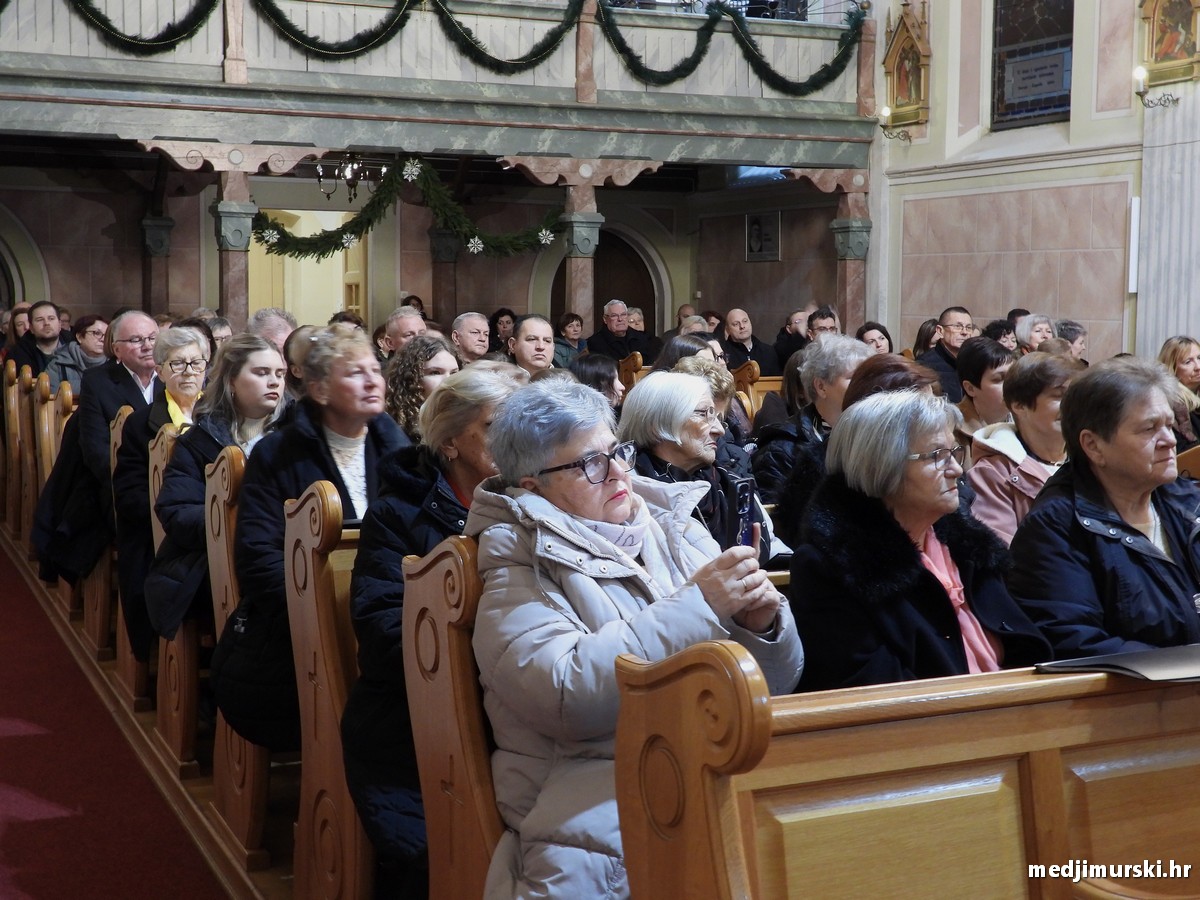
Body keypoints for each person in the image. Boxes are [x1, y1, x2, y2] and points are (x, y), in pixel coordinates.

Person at [468, 378, 803, 897]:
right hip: (591, 788)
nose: (619, 472)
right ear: (531, 486)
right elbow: (564, 694)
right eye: (588, 464)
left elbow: (778, 684)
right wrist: (700, 607)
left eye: (615, 451)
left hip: (705, 759)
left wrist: (762, 627)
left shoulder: (674, 525)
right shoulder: (518, 559)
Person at [341, 362, 528, 898]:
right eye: (496, 427)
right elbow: (383, 633)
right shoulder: (398, 515)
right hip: (414, 728)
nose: (515, 440)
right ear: (450, 442)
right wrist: (494, 657)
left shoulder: (542, 499)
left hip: (521, 715)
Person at [210, 328, 408, 752]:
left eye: (376, 369)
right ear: (318, 389)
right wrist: (319, 620)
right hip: (301, 626)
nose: (373, 380)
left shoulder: (397, 448)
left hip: (384, 618)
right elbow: (259, 559)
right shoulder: (278, 453)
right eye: (355, 373)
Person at [790, 390, 1050, 691]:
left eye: (954, 453)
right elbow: (872, 693)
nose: (956, 470)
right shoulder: (832, 565)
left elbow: (1026, 647)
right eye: (937, 456)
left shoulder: (964, 545)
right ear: (883, 465)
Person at [1008, 357, 1200, 659]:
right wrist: (1187, 668)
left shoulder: (1188, 502)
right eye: (1149, 429)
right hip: (1133, 697)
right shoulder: (1055, 527)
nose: (1170, 440)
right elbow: (1074, 643)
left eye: (1169, 424)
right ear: (1094, 446)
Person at [146, 335, 290, 641]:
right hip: (212, 562)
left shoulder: (297, 434)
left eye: (280, 374)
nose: (274, 382)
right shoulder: (201, 439)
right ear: (232, 381)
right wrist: (235, 521)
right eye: (261, 373)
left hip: (287, 554)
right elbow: (176, 511)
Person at [771, 353, 943, 546]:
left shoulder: (939, 462)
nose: (937, 421)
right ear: (880, 418)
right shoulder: (826, 477)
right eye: (925, 413)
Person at [112, 325, 210, 663]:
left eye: (196, 363)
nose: (188, 373)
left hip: (206, 530)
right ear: (159, 371)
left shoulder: (217, 418)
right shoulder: (142, 423)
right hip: (158, 535)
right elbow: (128, 495)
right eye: (177, 364)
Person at [622, 371, 786, 562]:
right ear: (658, 423)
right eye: (704, 414)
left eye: (717, 417)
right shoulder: (627, 497)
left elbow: (774, 549)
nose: (720, 430)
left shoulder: (731, 483)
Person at [967, 352, 1081, 546]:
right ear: (1019, 405)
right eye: (1059, 396)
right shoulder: (992, 473)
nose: (1073, 406)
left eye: (1077, 396)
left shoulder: (1093, 458)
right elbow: (1004, 556)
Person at [752, 335, 871, 504]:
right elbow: (777, 523)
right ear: (821, 386)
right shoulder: (782, 448)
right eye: (854, 378)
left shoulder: (874, 436)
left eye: (868, 377)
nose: (866, 385)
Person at [384, 334, 462, 441]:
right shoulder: (392, 431)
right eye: (435, 373)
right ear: (411, 379)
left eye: (454, 373)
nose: (448, 381)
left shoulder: (466, 423)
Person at [955, 337, 1015, 440]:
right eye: (999, 379)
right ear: (970, 388)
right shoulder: (950, 429)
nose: (1012, 384)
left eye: (1013, 376)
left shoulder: (1028, 418)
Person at [918, 306, 974, 402]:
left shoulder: (975, 362)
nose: (964, 332)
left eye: (968, 328)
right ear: (940, 331)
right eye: (957, 326)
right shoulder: (923, 365)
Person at [45, 314, 108, 395]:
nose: (103, 339)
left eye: (107, 335)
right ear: (79, 337)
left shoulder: (115, 364)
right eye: (97, 333)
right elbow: (51, 398)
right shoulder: (58, 365)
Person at [8, 299, 63, 376]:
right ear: (31, 328)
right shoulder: (17, 355)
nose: (46, 323)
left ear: (60, 324)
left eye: (51, 318)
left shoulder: (76, 349)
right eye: (40, 320)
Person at [722, 307, 781, 376]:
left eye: (745, 321)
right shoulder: (722, 352)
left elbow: (776, 381)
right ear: (728, 329)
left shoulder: (768, 351)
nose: (742, 326)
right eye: (736, 324)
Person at [1158, 335, 1200, 399]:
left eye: (1199, 358)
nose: (1198, 367)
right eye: (1188, 362)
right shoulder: (1170, 402)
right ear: (1172, 368)